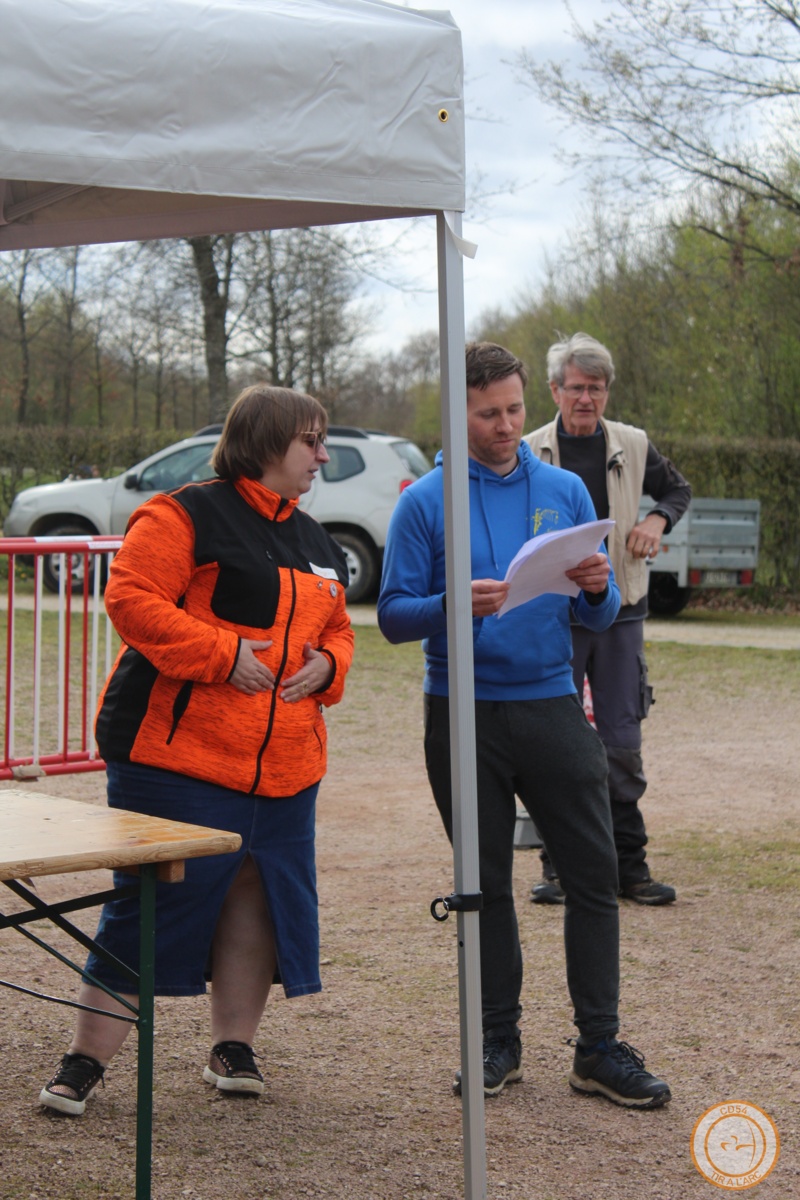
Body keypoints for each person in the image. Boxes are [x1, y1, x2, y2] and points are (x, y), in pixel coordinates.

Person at [39, 384, 355, 1116]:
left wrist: (331, 665)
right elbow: (132, 600)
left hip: (287, 770)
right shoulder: (182, 513)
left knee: (257, 895)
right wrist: (222, 654)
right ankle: (84, 1061)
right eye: (311, 441)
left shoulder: (316, 538)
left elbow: (338, 627)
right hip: (175, 761)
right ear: (266, 442)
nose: (322, 457)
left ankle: (232, 1048)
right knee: (146, 906)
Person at [377, 341, 671, 1107]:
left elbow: (598, 614)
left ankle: (598, 1048)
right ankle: (497, 1040)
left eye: (513, 409)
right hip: (461, 709)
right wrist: (453, 605)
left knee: (594, 875)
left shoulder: (566, 488)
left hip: (550, 702)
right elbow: (392, 615)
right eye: (488, 414)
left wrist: (599, 588)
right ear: (457, 414)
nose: (507, 426)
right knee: (483, 884)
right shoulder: (423, 502)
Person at [526, 333, 691, 907]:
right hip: (556, 614)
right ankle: (558, 869)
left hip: (621, 612)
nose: (586, 399)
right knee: (559, 739)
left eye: (596, 388)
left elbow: (676, 490)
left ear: (606, 391)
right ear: (555, 390)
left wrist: (655, 520)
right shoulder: (529, 450)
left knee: (621, 738)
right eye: (576, 387)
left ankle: (631, 868)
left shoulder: (633, 444)